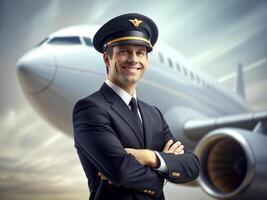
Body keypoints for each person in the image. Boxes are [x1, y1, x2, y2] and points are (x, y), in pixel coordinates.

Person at [72, 13, 200, 200]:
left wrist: (150, 157)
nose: (134, 59)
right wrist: (164, 169)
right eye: (124, 51)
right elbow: (121, 172)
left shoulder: (153, 114)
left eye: (140, 53)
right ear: (107, 60)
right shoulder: (90, 109)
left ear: (146, 61)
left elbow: (192, 166)